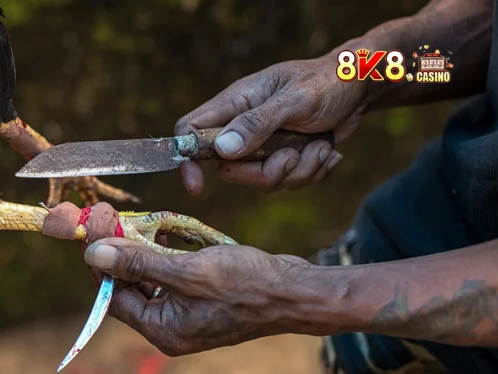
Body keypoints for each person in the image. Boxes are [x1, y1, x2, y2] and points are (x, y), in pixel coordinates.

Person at [81, 0, 498, 372]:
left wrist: (295, 298)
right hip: (392, 243)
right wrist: (354, 74)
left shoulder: (315, 294)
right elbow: (483, 26)